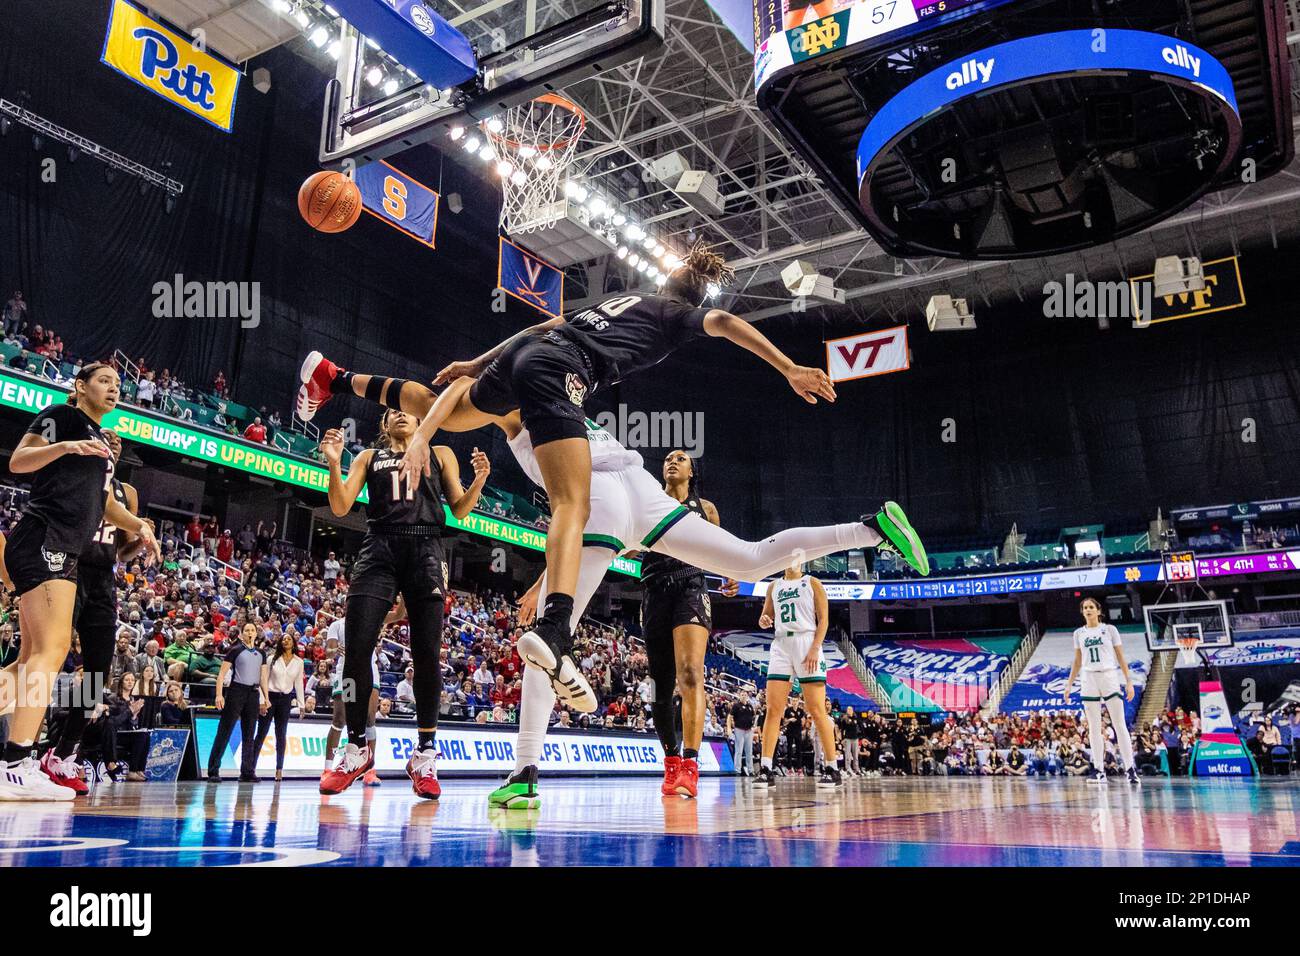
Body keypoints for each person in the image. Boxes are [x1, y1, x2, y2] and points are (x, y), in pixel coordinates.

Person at [287, 357, 926, 808]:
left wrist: (342, 379)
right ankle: (868, 529)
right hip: (637, 486)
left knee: (540, 642)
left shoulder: (507, 399)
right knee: (753, 559)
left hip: (598, 501)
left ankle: (525, 770)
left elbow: (421, 400)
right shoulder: (558, 382)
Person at [296, 243, 851, 713]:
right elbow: (727, 324)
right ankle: (557, 628)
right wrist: (789, 368)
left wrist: (474, 366)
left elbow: (540, 326)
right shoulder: (676, 316)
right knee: (572, 504)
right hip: (558, 375)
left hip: (523, 357)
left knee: (450, 407)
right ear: (695, 300)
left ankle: (334, 376)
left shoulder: (619, 301)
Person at [0, 363, 159, 801]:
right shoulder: (62, 416)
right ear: (80, 386)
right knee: (49, 654)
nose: (114, 389)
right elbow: (19, 460)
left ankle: (28, 758)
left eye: (118, 384)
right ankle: (17, 762)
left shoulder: (103, 447)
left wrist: (140, 526)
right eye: (105, 380)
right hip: (44, 538)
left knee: (33, 659)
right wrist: (67, 445)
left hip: (69, 555)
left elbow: (105, 504)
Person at [316, 409, 487, 798]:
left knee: (426, 654)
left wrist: (479, 480)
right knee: (355, 650)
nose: (400, 414)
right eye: (392, 412)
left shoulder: (440, 452)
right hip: (378, 546)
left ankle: (425, 753)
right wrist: (334, 463)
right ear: (383, 426)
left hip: (426, 547)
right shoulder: (367, 457)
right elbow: (340, 506)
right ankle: (357, 747)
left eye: (407, 410)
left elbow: (458, 509)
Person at [41, 429, 149, 794]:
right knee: (47, 659)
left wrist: (142, 543)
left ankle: (64, 752)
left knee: (98, 673)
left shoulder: (127, 493)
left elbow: (120, 552)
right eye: (108, 437)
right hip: (70, 568)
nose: (115, 441)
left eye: (119, 441)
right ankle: (26, 744)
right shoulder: (81, 478)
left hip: (104, 577)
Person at [636, 450, 737, 798]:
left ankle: (691, 765)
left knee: (691, 672)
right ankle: (671, 762)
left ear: (692, 472)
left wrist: (730, 575)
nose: (672, 461)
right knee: (660, 687)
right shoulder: (646, 502)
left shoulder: (705, 509)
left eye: (681, 458)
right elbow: (632, 547)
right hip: (653, 589)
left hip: (691, 586)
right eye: (667, 458)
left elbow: (721, 549)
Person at [753, 562, 842, 789]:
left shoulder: (812, 583)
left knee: (816, 709)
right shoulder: (774, 586)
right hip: (781, 643)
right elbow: (765, 616)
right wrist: (764, 620)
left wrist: (814, 648)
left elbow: (824, 620)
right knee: (773, 709)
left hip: (806, 641)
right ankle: (766, 768)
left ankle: (832, 768)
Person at [1063, 596, 1139, 786]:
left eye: (1091, 607)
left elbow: (1121, 656)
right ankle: (1098, 770)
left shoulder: (1109, 629)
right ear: (1082, 612)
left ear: (1098, 610)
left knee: (1119, 724)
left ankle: (1130, 769)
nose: (1088, 610)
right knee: (1094, 727)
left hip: (1109, 675)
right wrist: (1069, 684)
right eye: (1085, 607)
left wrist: (1129, 681)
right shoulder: (1078, 633)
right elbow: (1078, 661)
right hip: (1089, 677)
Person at [205, 621, 270, 783]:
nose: (250, 632)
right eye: (247, 630)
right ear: (242, 633)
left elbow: (263, 678)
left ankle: (247, 771)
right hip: (236, 691)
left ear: (256, 633)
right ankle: (213, 770)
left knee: (249, 733)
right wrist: (219, 695)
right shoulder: (235, 650)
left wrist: (266, 698)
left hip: (253, 693)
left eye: (252, 630)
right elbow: (221, 675)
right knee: (225, 730)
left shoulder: (261, 653)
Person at [253, 632, 305, 781]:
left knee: (281, 735)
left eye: (289, 639)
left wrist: (301, 704)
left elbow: (299, 684)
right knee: (261, 733)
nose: (286, 641)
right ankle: (251, 768)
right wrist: (262, 700)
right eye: (284, 639)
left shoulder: (299, 662)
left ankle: (279, 769)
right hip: (270, 697)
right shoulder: (272, 659)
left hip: (286, 700)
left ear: (294, 643)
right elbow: (263, 680)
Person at [727, 689, 756, 777]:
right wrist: (728, 728)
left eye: (745, 695)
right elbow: (729, 717)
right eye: (742, 695)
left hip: (749, 730)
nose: (744, 696)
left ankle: (751, 770)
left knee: (749, 751)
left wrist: (753, 726)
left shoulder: (750, 706)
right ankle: (737, 770)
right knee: (739, 750)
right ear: (739, 696)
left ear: (747, 696)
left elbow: (754, 716)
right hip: (739, 729)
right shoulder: (736, 706)